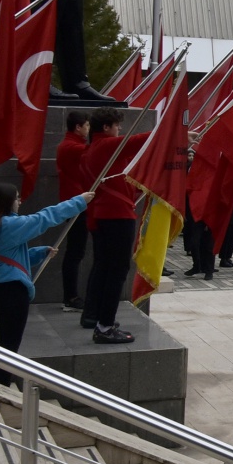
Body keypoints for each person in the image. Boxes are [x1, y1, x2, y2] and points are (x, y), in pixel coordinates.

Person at [0, 184, 96, 383]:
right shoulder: (8, 225)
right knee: (9, 343)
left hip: (2, 288)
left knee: (6, 339)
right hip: (13, 291)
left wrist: (39, 253)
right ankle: (1, 385)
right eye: (16, 198)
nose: (19, 201)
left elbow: (8, 257)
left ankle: (0, 380)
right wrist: (78, 202)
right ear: (6, 203)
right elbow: (43, 218)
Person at [80, 108, 147, 344]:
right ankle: (105, 326)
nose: (120, 130)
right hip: (117, 216)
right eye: (117, 126)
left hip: (104, 216)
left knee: (106, 270)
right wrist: (176, 133)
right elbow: (141, 140)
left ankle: (98, 318)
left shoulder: (91, 150)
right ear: (106, 127)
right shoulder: (107, 146)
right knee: (116, 273)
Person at [55, 111, 90, 312]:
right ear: (78, 127)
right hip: (76, 204)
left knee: (76, 251)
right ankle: (70, 297)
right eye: (86, 126)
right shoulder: (72, 147)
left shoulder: (69, 145)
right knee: (75, 252)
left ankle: (71, 296)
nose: (88, 130)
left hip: (75, 202)